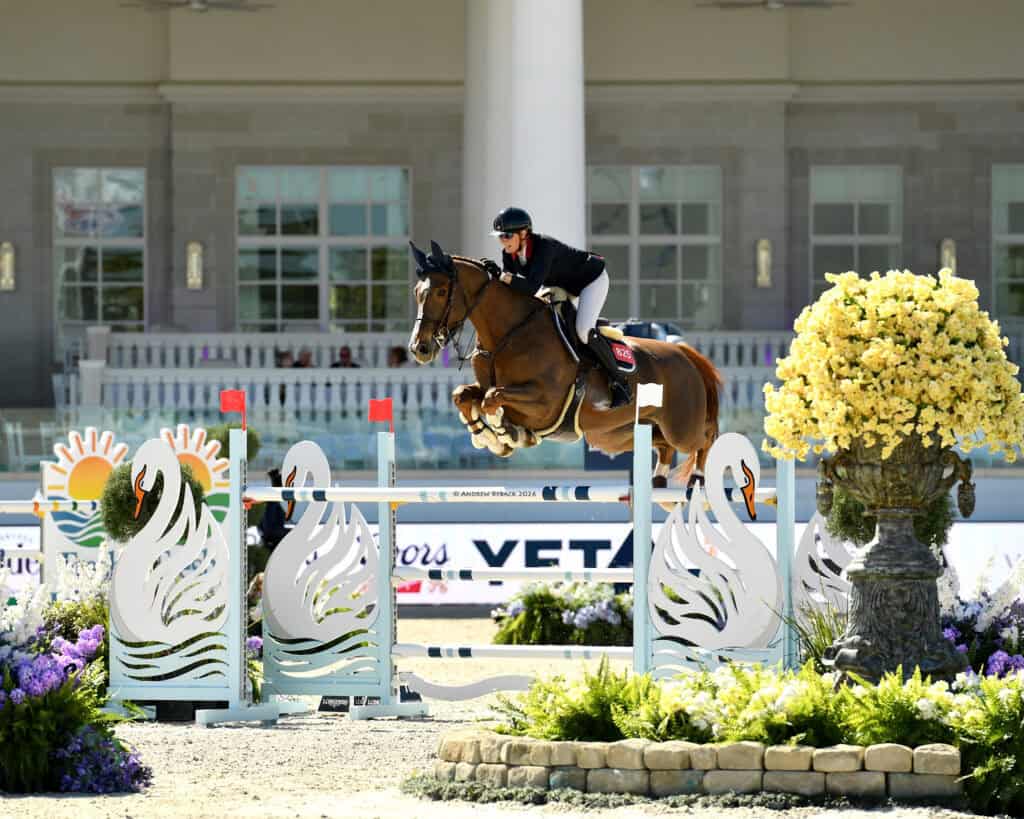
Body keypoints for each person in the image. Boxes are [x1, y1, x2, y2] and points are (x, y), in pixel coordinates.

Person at [491, 206, 631, 408]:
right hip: (561, 286)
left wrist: (502, 276)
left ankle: (620, 384)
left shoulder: (543, 247)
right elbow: (512, 289)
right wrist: (493, 278)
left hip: (590, 280)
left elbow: (529, 287)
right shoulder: (509, 254)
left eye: (506, 235)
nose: (502, 241)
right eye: (499, 236)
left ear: (523, 234)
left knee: (583, 331)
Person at [257, 468, 288, 551]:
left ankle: (276, 482)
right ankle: (276, 482)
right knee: (274, 504)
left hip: (270, 532)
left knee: (273, 503)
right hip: (274, 531)